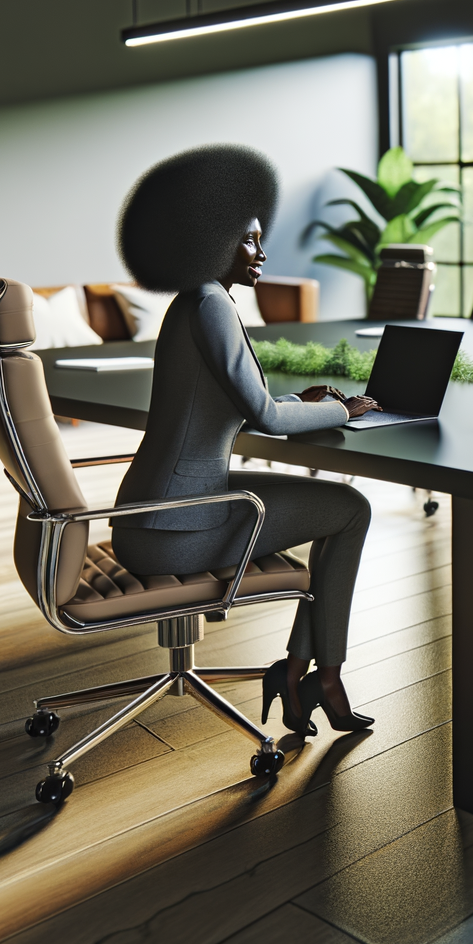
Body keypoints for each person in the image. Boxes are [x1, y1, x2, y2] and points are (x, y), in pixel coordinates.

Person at [109, 145, 380, 735]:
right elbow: (265, 417)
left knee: (339, 510)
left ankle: (303, 671)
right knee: (351, 510)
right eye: (249, 240)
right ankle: (319, 676)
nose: (261, 252)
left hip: (154, 514)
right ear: (210, 240)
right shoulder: (209, 303)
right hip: (177, 529)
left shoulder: (195, 302)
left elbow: (244, 403)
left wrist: (304, 404)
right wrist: (340, 408)